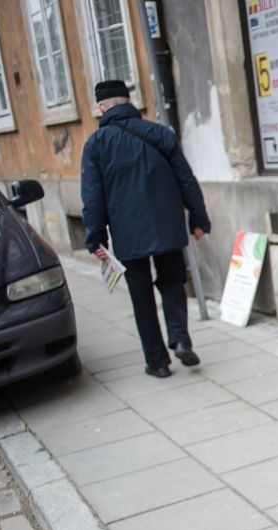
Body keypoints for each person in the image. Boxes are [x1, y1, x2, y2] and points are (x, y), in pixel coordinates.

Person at [82, 80, 211, 378]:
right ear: (129, 102)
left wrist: (95, 238)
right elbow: (186, 179)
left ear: (102, 107)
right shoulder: (160, 134)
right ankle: (179, 337)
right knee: (173, 282)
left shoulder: (97, 144)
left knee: (141, 296)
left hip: (128, 233)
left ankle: (157, 362)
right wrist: (199, 219)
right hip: (167, 225)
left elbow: (92, 196)